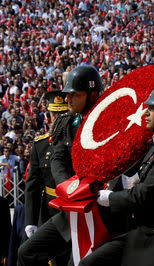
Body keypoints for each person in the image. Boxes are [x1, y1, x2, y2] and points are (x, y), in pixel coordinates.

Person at [81, 82, 154, 266]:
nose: (145, 113)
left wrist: (106, 197)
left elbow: (144, 194)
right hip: (144, 233)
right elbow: (134, 168)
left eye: (153, 109)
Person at [18, 65, 106, 266]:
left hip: (98, 209)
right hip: (69, 206)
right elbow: (57, 158)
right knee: (27, 252)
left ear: (92, 94)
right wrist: (70, 188)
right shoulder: (67, 123)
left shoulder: (108, 123)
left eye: (74, 95)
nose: (67, 100)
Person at [24, 91, 69, 236]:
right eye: (54, 115)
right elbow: (33, 186)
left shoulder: (77, 142)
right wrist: (30, 221)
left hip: (73, 207)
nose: (57, 119)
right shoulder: (40, 145)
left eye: (62, 114)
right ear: (49, 116)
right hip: (49, 209)